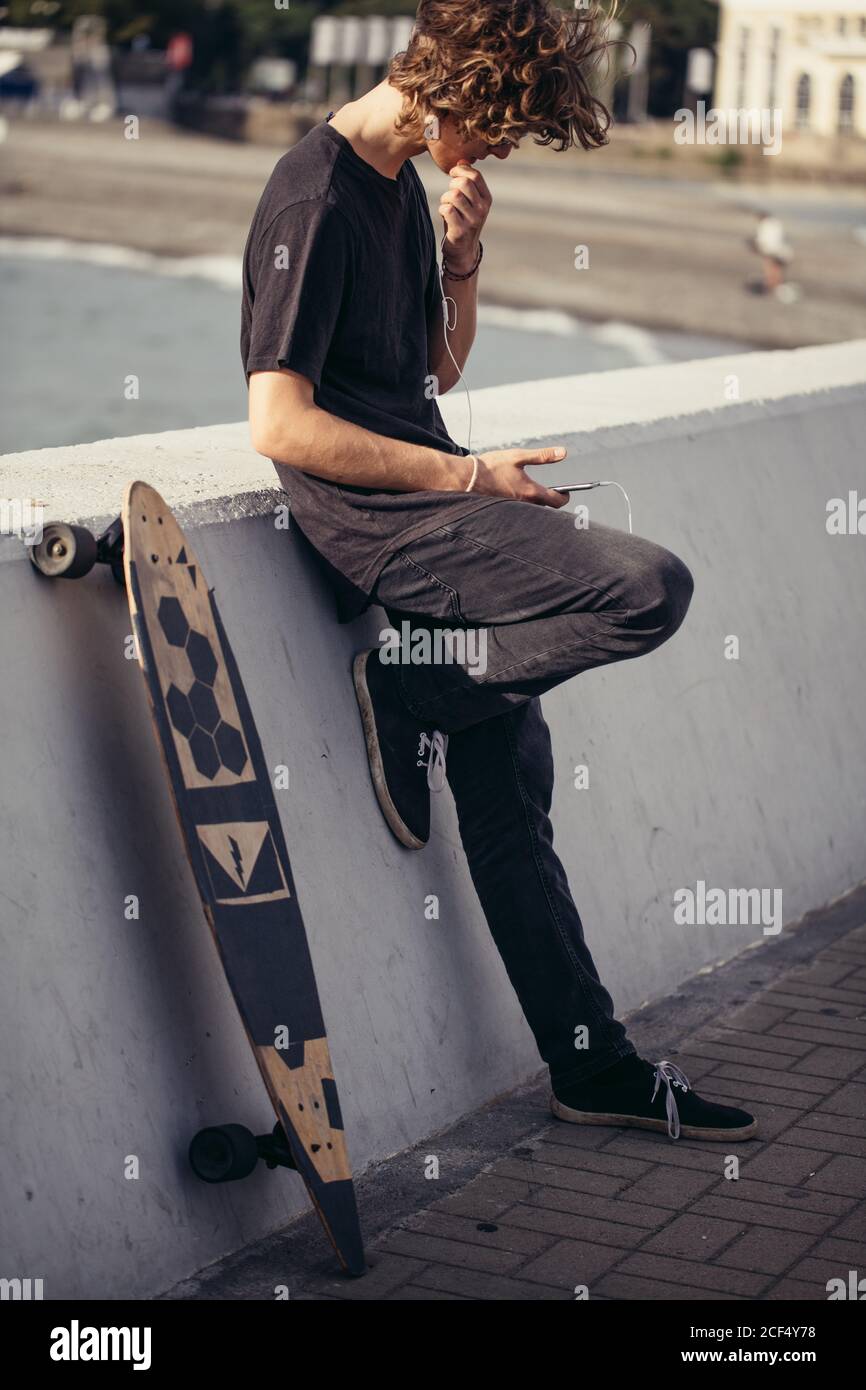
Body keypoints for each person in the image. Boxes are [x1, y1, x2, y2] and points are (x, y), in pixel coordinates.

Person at [241, 0, 757, 1143]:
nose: (501, 149)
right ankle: (410, 688)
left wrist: (462, 257)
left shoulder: (398, 192)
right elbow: (278, 424)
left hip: (430, 499)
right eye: (502, 124)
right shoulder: (313, 194)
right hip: (385, 524)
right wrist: (471, 481)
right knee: (643, 587)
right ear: (452, 84)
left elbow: (429, 366)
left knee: (512, 798)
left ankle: (592, 1066)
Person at [750, 209, 797, 303]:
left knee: (771, 269)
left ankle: (771, 287)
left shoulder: (765, 225)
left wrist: (758, 247)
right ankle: (774, 287)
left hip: (772, 251)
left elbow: (764, 240)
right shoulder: (775, 223)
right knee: (777, 269)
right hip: (782, 250)